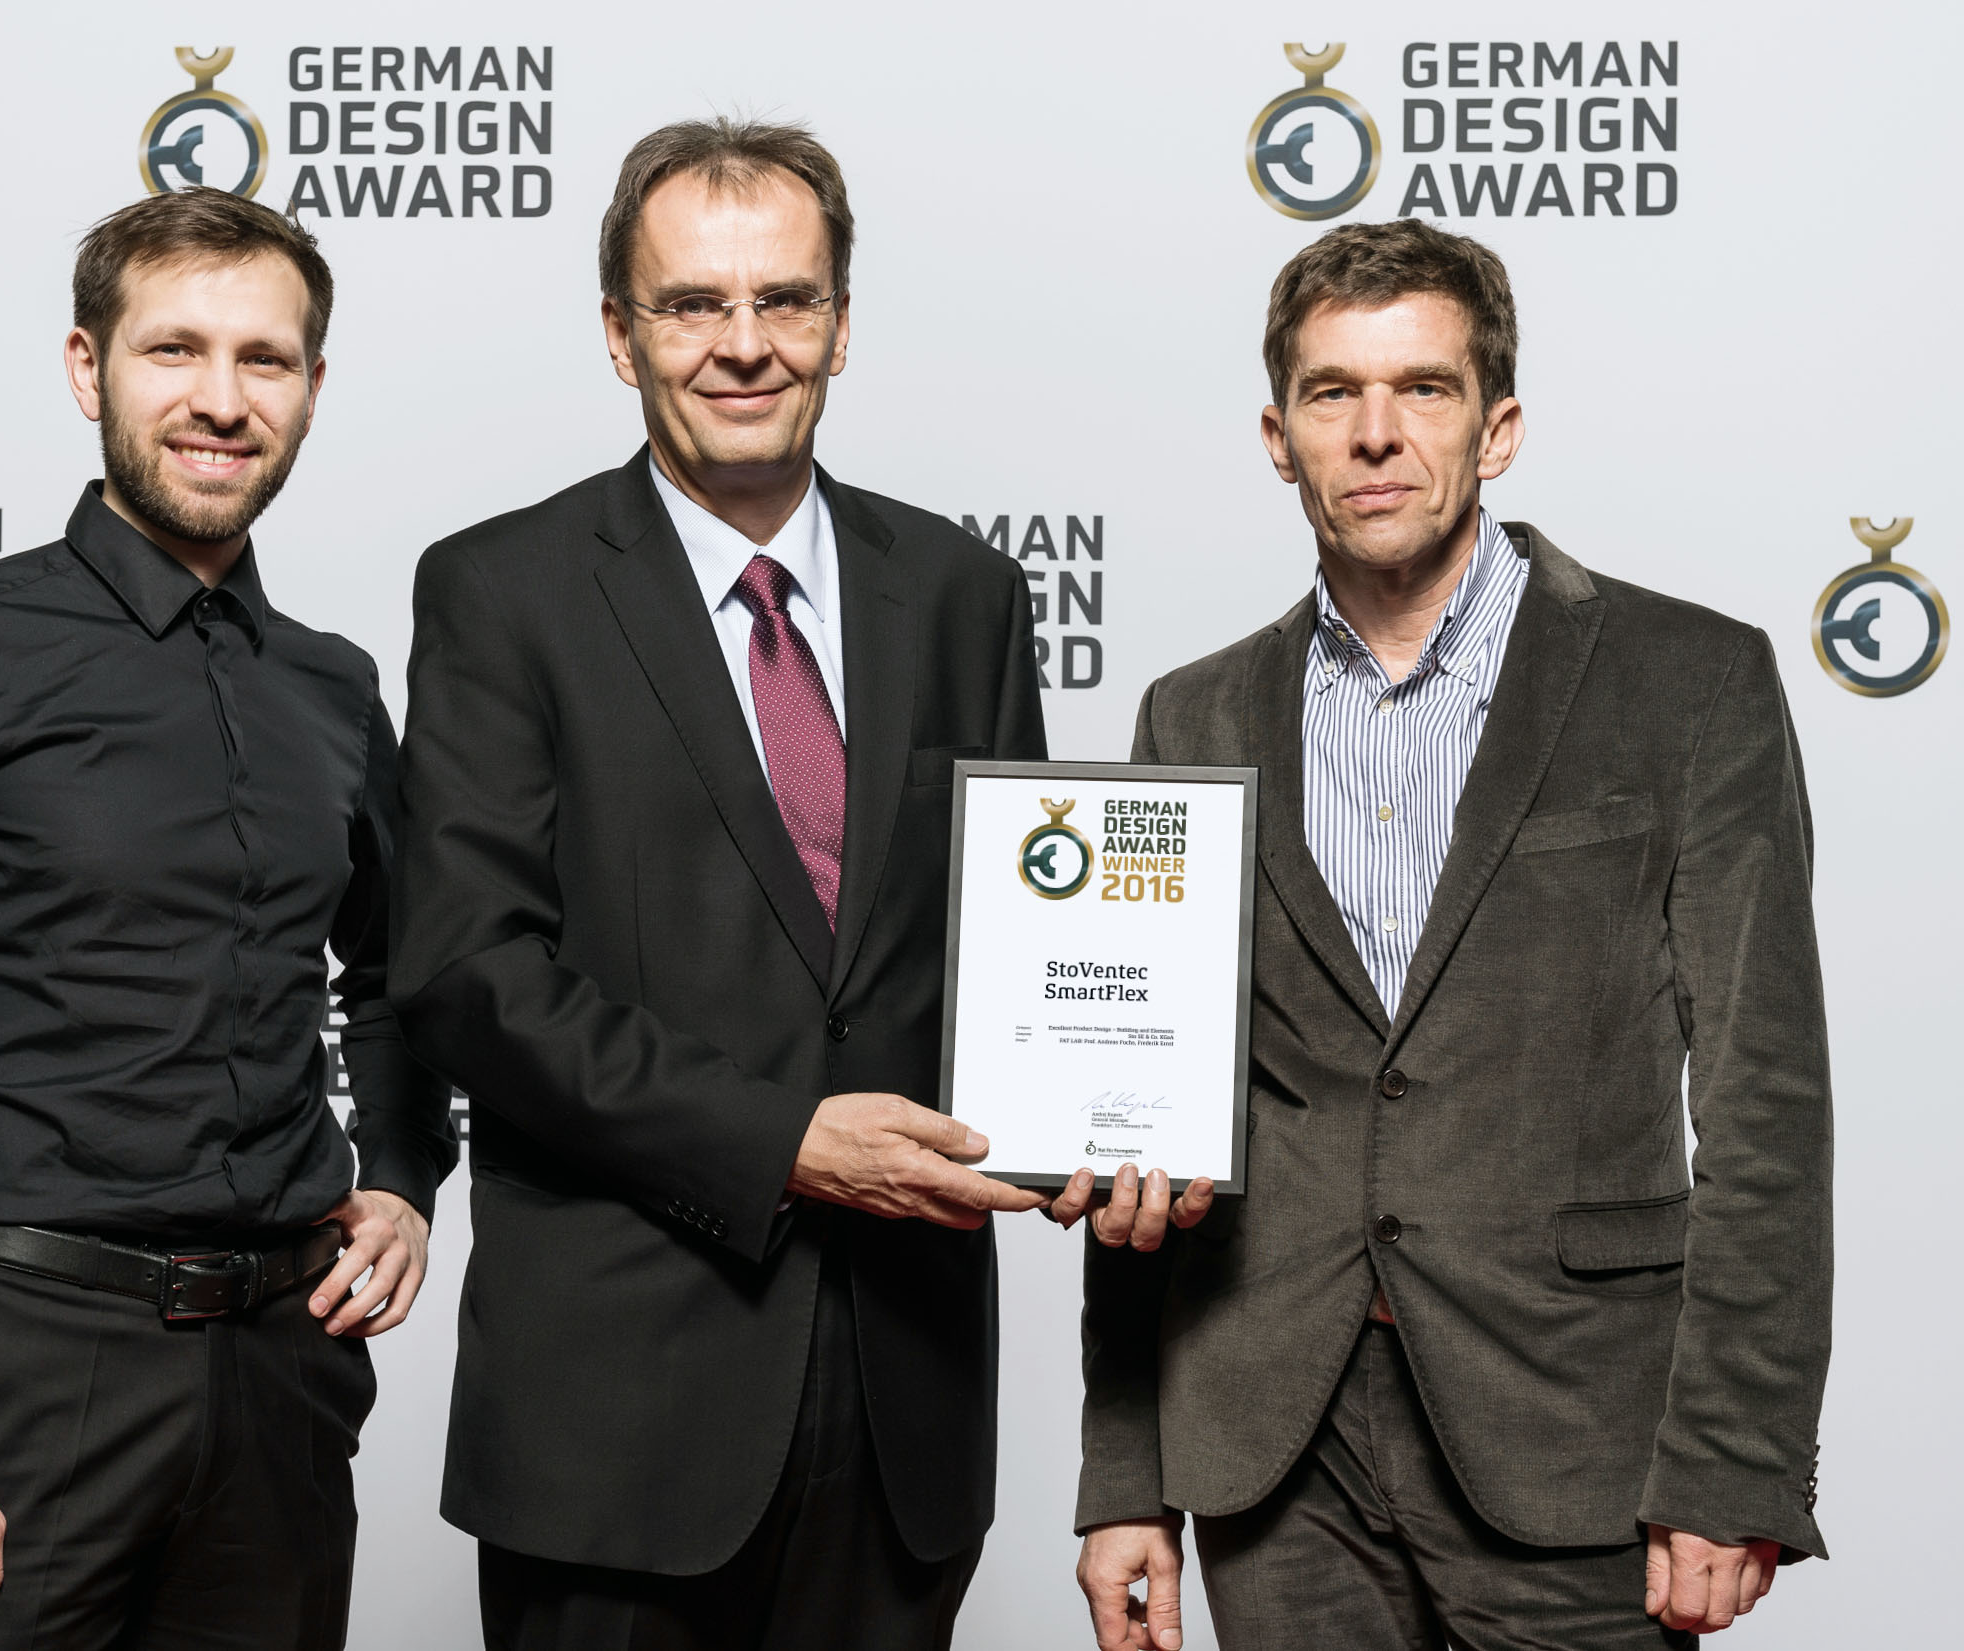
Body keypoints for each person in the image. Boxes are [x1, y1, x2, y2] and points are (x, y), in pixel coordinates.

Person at [1065, 218, 1832, 1651]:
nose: (1377, 433)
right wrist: (1123, 1476)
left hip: (1575, 1430)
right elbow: (1142, 1111)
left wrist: (1737, 1462)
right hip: (1271, 1444)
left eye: (1423, 387)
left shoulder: (1693, 682)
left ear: (1500, 428)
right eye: (1333, 393)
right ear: (1279, 438)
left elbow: (1766, 1103)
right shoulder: (1193, 714)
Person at [388, 117, 1059, 1649]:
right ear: (619, 335)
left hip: (906, 1406)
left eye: (786, 300)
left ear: (841, 325)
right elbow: (470, 973)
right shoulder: (501, 592)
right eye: (692, 304)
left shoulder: (963, 593)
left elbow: (1017, 952)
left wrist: (1116, 1123)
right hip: (619, 1419)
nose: (743, 345)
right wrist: (786, 1145)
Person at [0, 188, 457, 1651]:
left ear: (313, 387)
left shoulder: (335, 688)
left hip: (285, 1380)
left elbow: (401, 979)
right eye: (174, 350)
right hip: (19, 1377)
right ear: (89, 369)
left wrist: (403, 1175)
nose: (221, 400)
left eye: (265, 359)